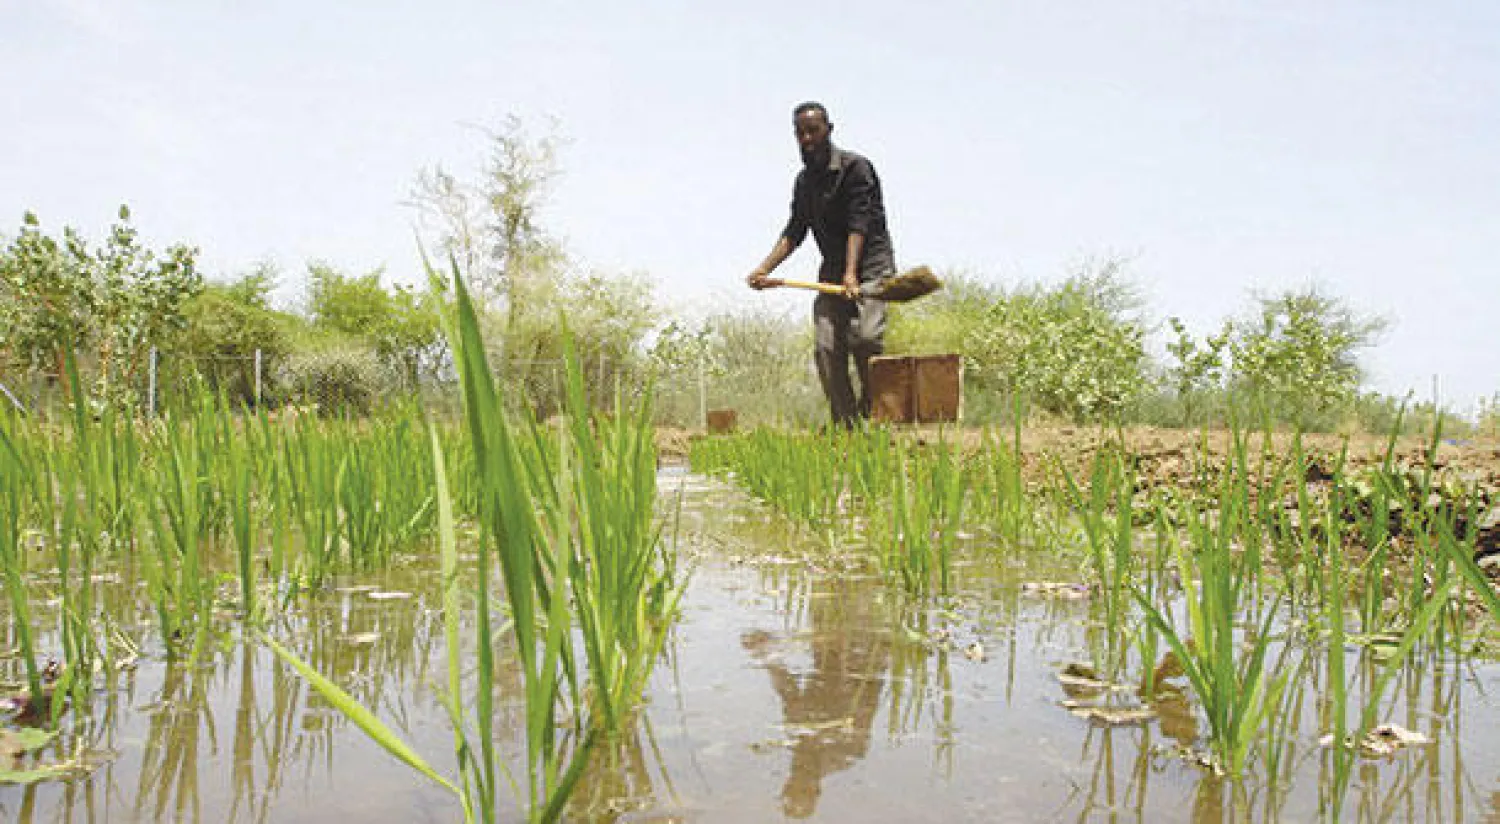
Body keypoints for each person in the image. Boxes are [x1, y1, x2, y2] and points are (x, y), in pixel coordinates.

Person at [747, 101, 897, 428]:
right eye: (799, 133)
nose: (806, 139)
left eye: (813, 131)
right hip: (832, 271)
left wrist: (851, 274)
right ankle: (846, 426)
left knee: (866, 338)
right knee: (827, 346)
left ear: (829, 130)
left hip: (871, 266)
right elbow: (795, 231)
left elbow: (859, 223)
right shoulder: (804, 182)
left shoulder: (856, 168)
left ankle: (874, 410)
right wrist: (764, 269)